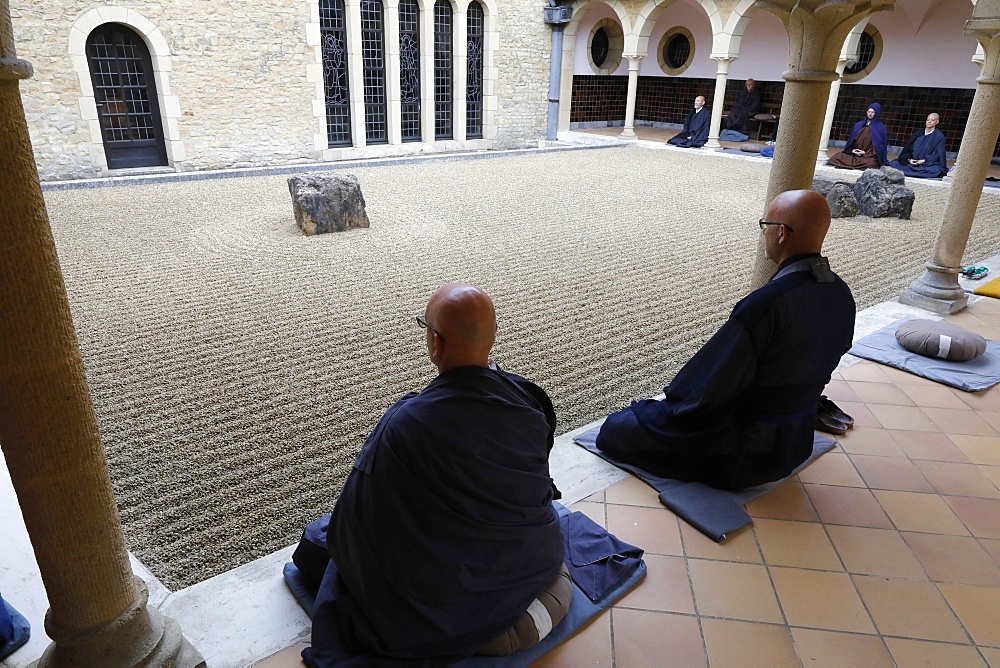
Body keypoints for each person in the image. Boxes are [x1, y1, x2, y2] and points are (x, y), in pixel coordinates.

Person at [306, 283, 568, 665]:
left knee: (318, 544)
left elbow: (352, 525)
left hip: (437, 603)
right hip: (528, 560)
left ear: (435, 343)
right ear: (493, 336)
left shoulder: (407, 423)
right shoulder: (528, 399)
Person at [596, 190, 856, 490]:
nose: (765, 234)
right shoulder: (841, 293)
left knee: (617, 428)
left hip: (746, 452)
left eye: (766, 225)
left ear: (781, 233)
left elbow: (706, 392)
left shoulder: (768, 302)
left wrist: (664, 409)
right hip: (795, 443)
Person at [827, 102, 889, 170]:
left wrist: (865, 153)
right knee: (835, 158)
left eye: (872, 112)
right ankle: (855, 165)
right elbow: (851, 142)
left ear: (876, 113)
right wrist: (853, 151)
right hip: (854, 155)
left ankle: (854, 165)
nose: (870, 114)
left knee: (871, 163)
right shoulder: (858, 125)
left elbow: (878, 148)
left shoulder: (880, 128)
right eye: (869, 111)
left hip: (867, 156)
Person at [889, 113, 948, 178]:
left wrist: (923, 161)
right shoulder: (918, 133)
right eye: (928, 120)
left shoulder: (939, 136)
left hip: (926, 164)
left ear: (937, 122)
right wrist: (909, 159)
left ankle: (911, 172)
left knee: (936, 170)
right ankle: (913, 172)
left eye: (932, 120)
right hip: (912, 163)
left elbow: (939, 155)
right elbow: (907, 149)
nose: (929, 121)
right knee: (893, 164)